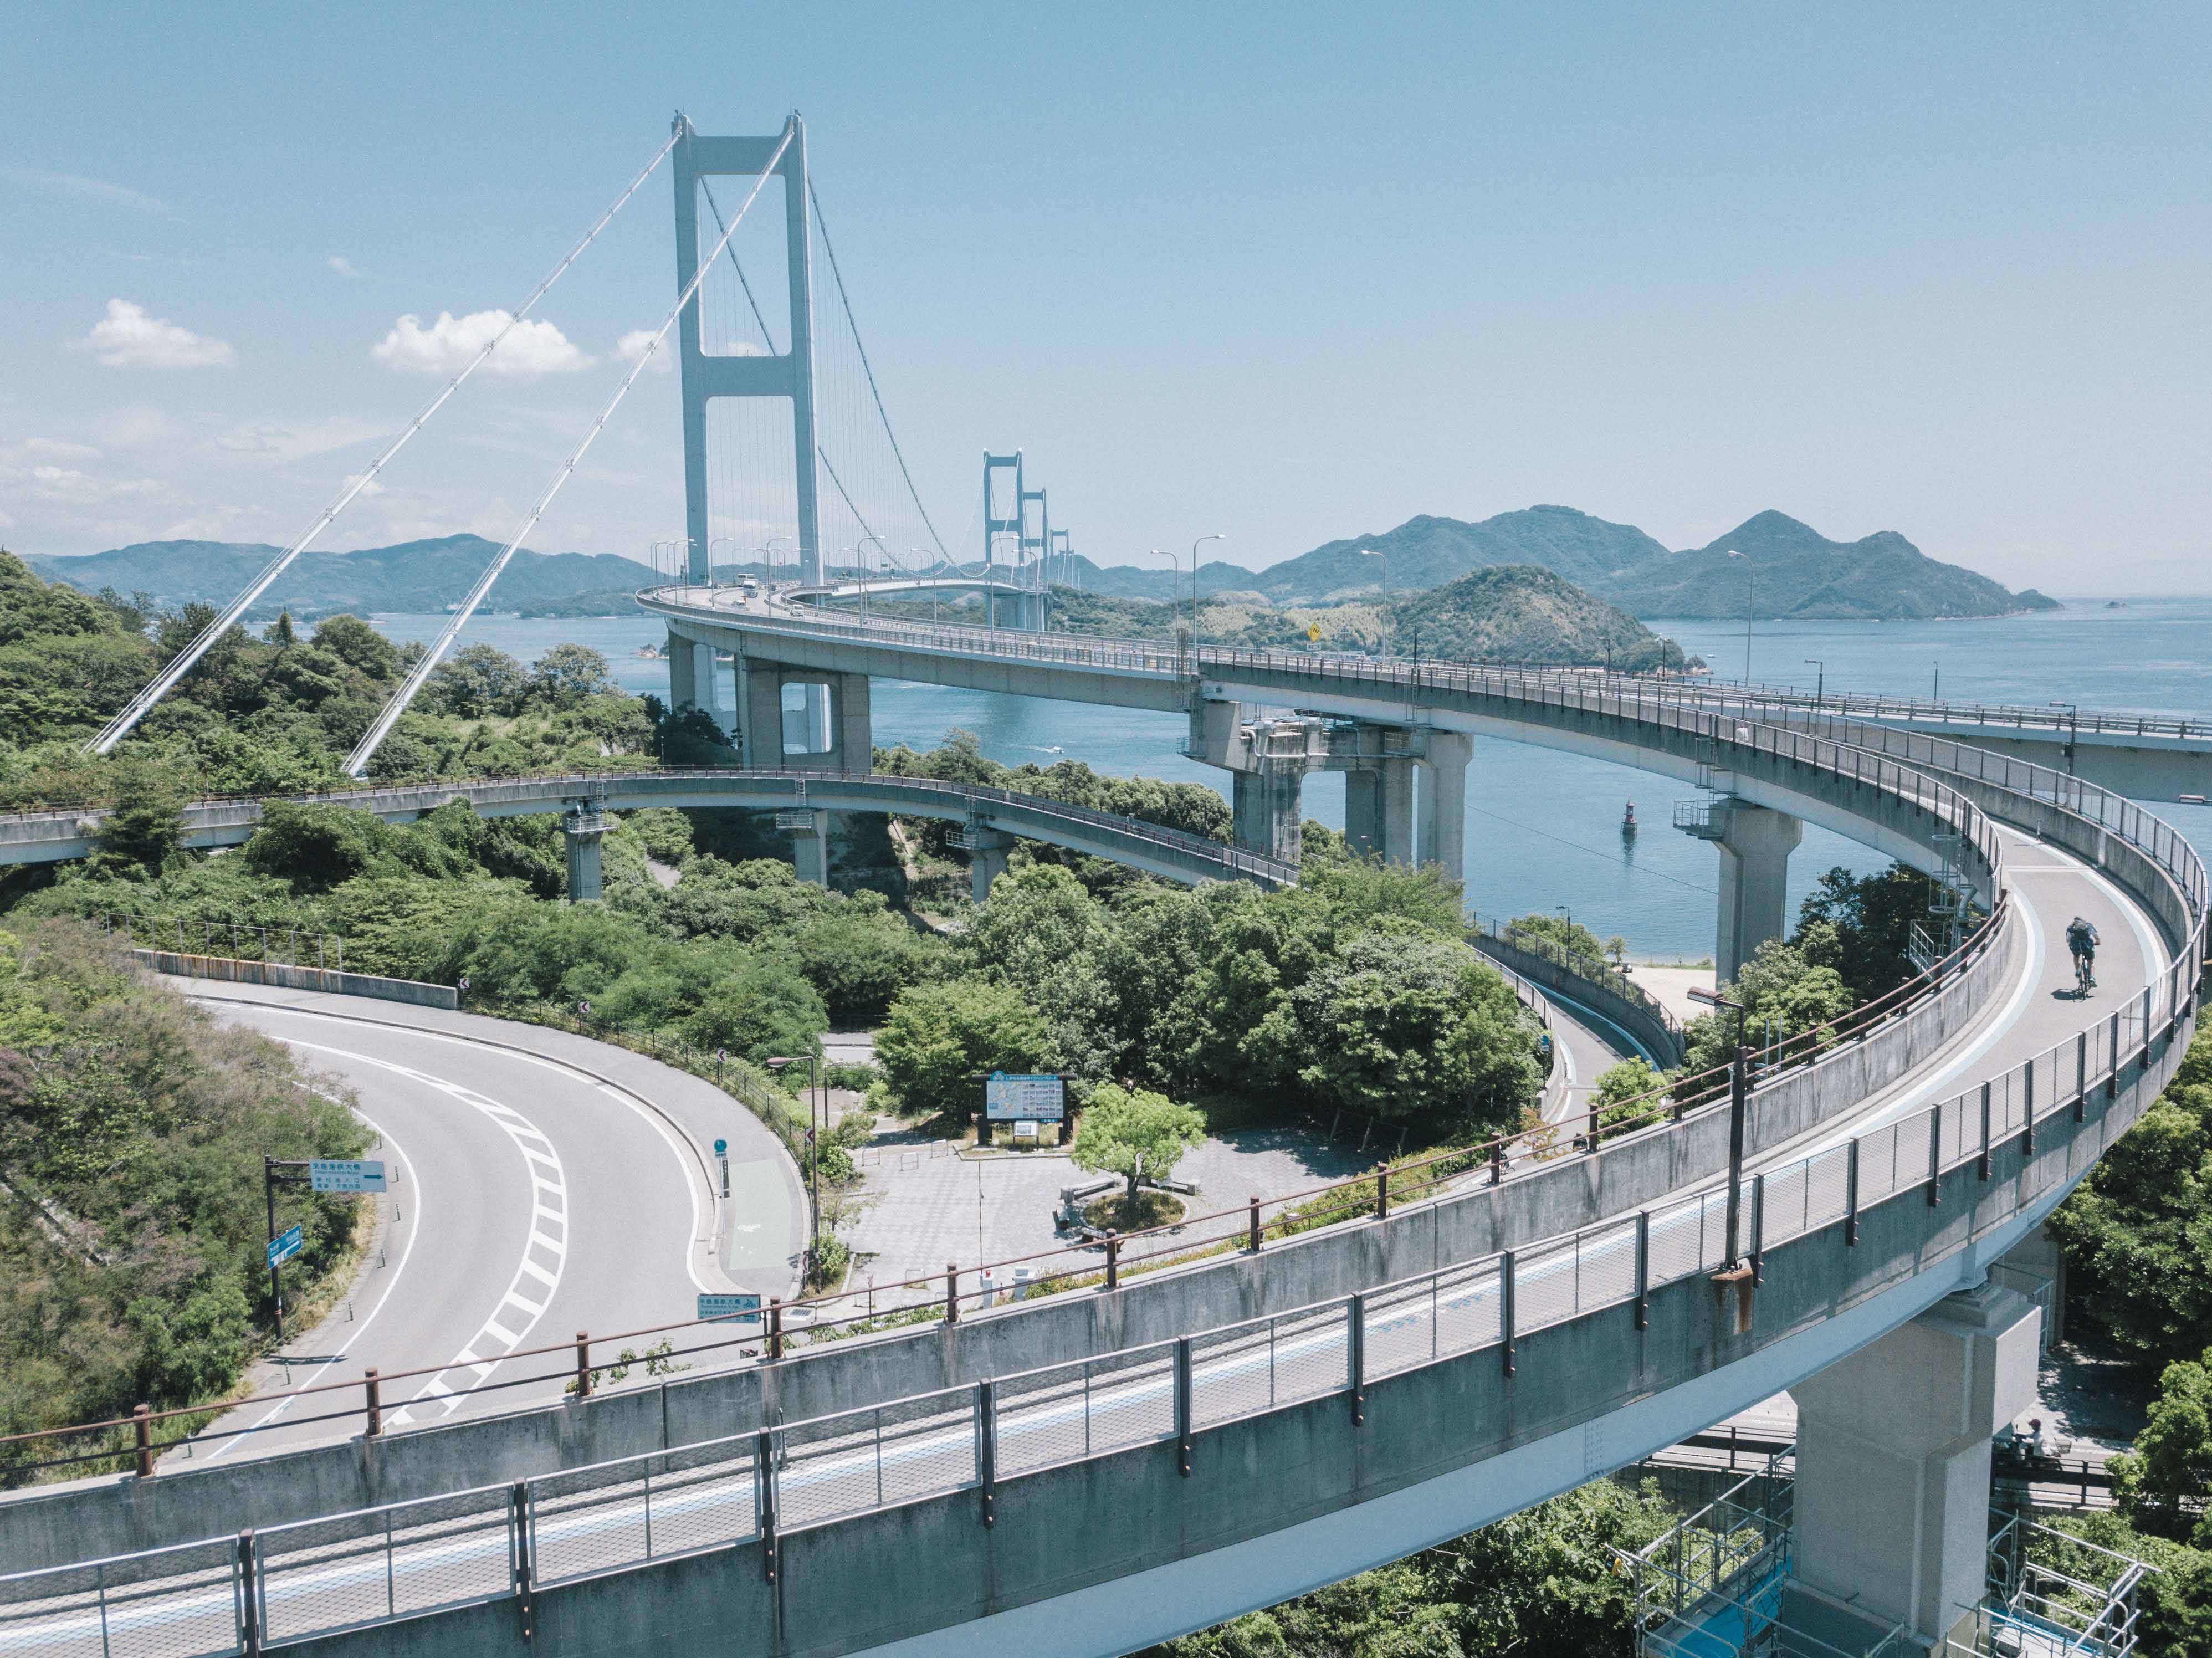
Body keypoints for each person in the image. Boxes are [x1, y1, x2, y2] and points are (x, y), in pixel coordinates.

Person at [2066, 916, 2099, 988]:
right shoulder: (2089, 926)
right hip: (2087, 947)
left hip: (2076, 947)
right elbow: (2096, 937)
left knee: (2076, 957)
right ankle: (2091, 978)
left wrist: (2072, 943)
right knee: (2091, 962)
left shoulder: (2070, 928)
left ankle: (2078, 971)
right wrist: (2097, 942)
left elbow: (2068, 940)